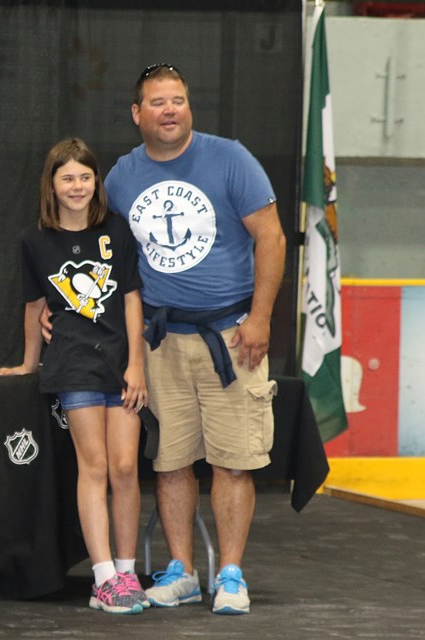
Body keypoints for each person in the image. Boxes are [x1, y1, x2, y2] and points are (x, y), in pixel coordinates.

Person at [104, 63, 286, 615]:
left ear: (190, 108)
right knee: (171, 462)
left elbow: (272, 237)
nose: (169, 110)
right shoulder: (120, 177)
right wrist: (52, 310)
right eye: (157, 102)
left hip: (231, 337)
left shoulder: (229, 158)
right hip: (160, 339)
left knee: (233, 461)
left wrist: (260, 318)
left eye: (178, 100)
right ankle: (181, 570)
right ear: (137, 114)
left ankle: (230, 574)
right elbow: (102, 257)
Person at [0, 138, 149, 615]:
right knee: (95, 466)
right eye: (68, 178)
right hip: (73, 363)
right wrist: (27, 362)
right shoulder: (34, 240)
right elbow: (34, 307)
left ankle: (126, 570)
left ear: (95, 182)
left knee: (125, 467)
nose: (78, 186)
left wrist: (137, 363)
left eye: (85, 176)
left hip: (119, 365)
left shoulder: (117, 232)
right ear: (52, 185)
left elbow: (129, 298)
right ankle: (103, 577)